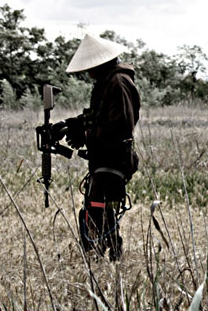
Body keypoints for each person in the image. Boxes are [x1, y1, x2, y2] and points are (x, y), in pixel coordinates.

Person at [55, 34, 141, 261]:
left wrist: (86, 135)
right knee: (95, 209)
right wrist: (68, 125)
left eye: (90, 68)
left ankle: (109, 258)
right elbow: (97, 117)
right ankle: (100, 257)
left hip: (115, 158)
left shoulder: (119, 83)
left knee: (99, 207)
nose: (88, 74)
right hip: (103, 157)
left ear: (101, 64)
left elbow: (120, 127)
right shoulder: (106, 83)